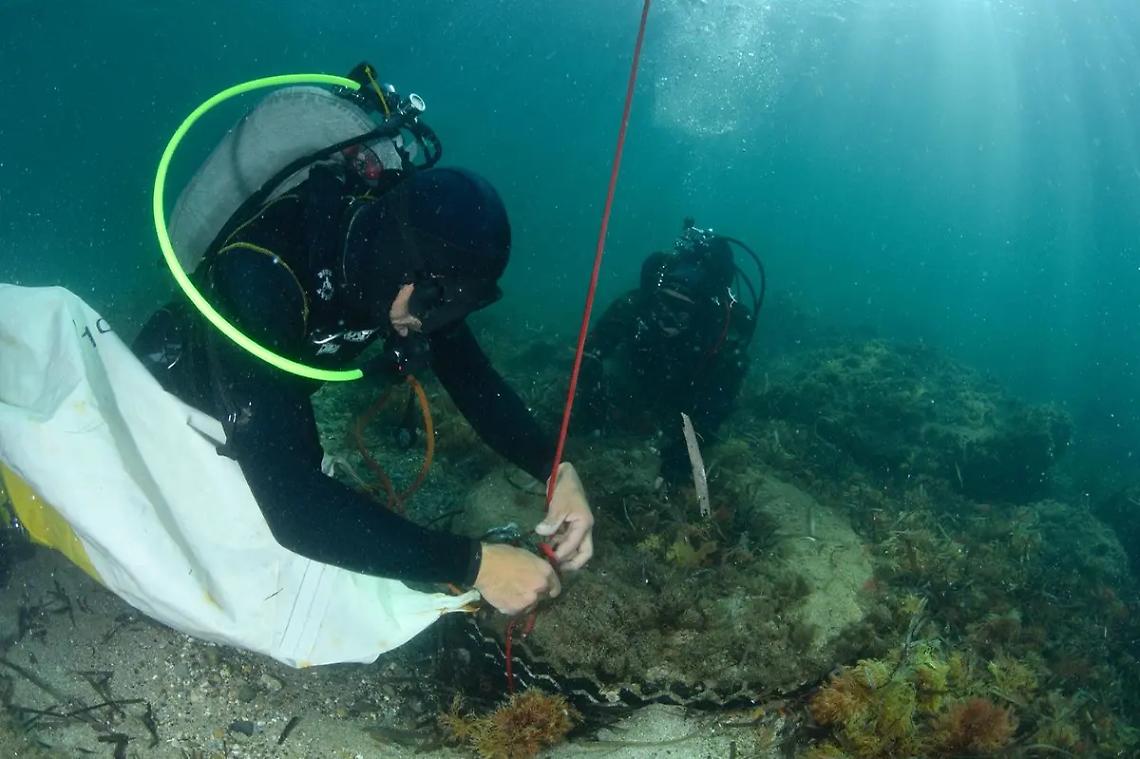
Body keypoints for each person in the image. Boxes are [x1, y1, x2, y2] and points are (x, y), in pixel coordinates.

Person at [134, 157, 594, 618]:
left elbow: (474, 381)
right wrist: (477, 565)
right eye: (433, 306)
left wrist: (556, 469)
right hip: (160, 406)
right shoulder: (260, 275)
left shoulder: (402, 280)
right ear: (402, 262)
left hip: (258, 414)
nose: (428, 324)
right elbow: (296, 508)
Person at [578, 220, 761, 485]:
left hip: (686, 396)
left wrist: (684, 454)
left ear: (701, 311)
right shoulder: (635, 305)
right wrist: (592, 403)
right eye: (666, 303)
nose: (668, 317)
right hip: (636, 379)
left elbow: (717, 406)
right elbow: (592, 349)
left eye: (683, 309)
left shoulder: (723, 337)